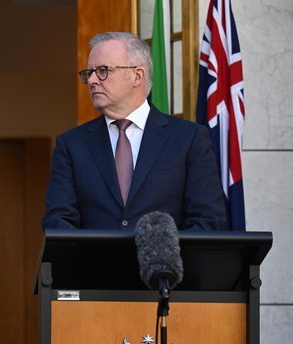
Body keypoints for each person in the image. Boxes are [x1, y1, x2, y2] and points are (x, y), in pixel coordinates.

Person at [42, 32, 225, 231]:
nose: (92, 80)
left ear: (137, 76)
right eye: (89, 73)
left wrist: (164, 260)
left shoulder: (189, 138)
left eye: (103, 70)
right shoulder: (71, 145)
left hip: (167, 262)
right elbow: (58, 222)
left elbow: (207, 220)